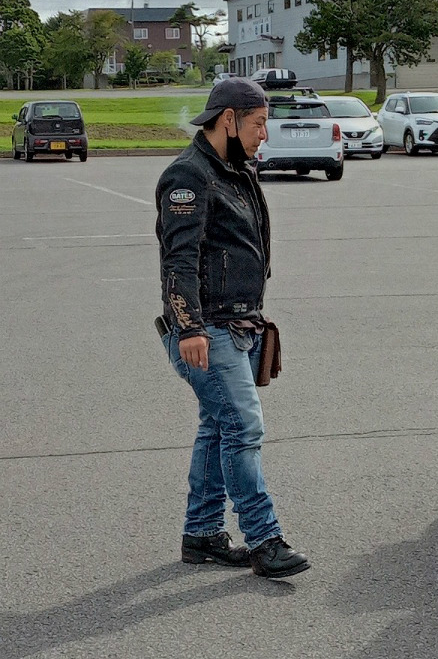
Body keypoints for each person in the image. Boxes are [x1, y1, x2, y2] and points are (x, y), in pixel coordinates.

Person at [155, 78, 310, 579]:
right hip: (207, 330)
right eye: (258, 122)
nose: (265, 132)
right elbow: (179, 260)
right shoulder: (189, 176)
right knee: (243, 427)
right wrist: (189, 327)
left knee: (217, 426)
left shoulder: (235, 170)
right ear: (228, 120)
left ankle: (201, 535)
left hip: (237, 324)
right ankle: (265, 540)